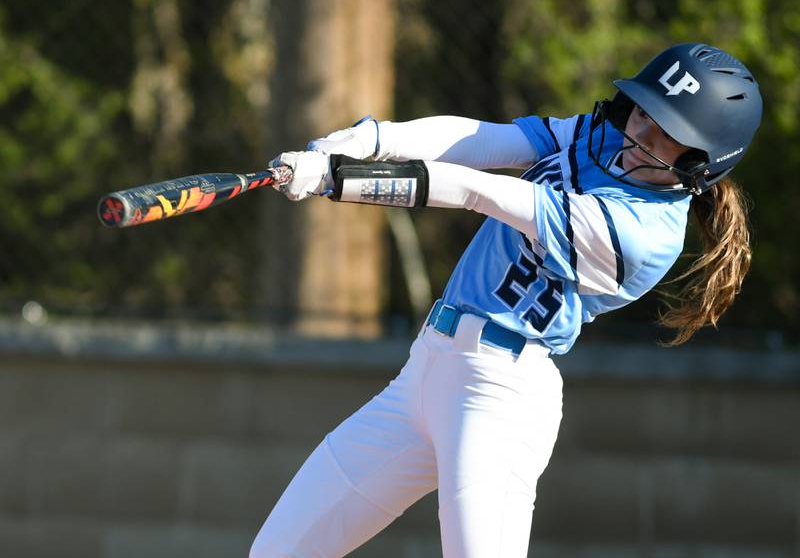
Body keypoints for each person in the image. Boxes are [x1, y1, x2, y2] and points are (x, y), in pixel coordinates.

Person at [249, 42, 762, 557]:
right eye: (644, 112)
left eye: (666, 134)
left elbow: (479, 192)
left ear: (700, 163)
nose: (640, 134)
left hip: (499, 394)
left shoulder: (646, 234)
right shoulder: (602, 138)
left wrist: (342, 178)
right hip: (422, 375)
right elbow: (483, 141)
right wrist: (372, 138)